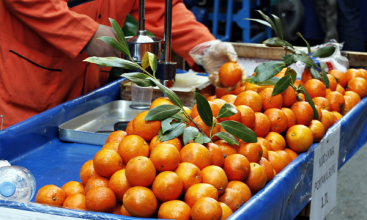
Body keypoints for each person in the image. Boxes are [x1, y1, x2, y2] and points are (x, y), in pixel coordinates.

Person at [0, 0, 238, 129]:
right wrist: (86, 34)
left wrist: (204, 46)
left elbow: (162, 7)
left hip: (85, 97)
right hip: (24, 92)